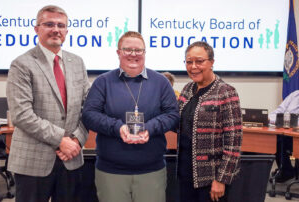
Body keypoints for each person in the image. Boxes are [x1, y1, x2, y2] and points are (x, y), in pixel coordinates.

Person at [81, 31, 179, 202]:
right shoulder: (102, 82)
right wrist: (118, 127)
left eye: (138, 50)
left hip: (152, 171)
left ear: (145, 53)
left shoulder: (161, 82)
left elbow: (172, 115)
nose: (133, 54)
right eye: (127, 49)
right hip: (110, 171)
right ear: (118, 52)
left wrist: (149, 128)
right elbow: (89, 115)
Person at [6, 5, 90, 202]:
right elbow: (21, 115)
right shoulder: (22, 64)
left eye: (61, 25)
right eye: (49, 24)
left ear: (67, 31)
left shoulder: (77, 62)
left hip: (71, 158)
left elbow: (88, 108)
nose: (56, 29)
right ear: (36, 29)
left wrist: (77, 140)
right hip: (33, 160)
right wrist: (62, 140)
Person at [177, 41, 242, 202]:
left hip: (211, 178)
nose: (193, 66)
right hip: (185, 172)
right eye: (189, 61)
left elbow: (234, 141)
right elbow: (178, 123)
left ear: (211, 62)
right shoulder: (187, 89)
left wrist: (222, 179)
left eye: (199, 61)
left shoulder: (226, 92)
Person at [268, 90, 299, 182]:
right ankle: (286, 170)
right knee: (276, 139)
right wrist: (269, 118)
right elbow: (279, 111)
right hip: (289, 134)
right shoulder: (295, 94)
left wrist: (290, 122)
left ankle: (287, 171)